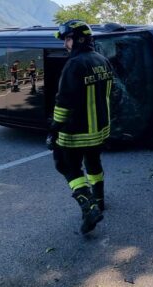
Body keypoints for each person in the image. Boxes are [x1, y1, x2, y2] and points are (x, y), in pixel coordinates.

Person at [47, 20, 113, 234]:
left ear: (79, 39)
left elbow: (63, 101)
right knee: (94, 162)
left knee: (66, 166)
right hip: (100, 129)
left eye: (68, 38)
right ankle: (100, 199)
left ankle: (90, 207)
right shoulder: (103, 60)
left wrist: (54, 129)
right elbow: (109, 94)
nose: (65, 43)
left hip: (75, 131)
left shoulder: (74, 65)